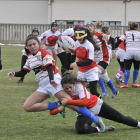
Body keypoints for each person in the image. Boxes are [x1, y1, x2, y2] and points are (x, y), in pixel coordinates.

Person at [7, 35, 105, 132]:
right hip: (43, 84)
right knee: (27, 106)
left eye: (34, 44)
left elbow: (49, 66)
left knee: (69, 102)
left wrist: (51, 79)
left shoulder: (44, 52)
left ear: (39, 44)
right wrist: (13, 73)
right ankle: (56, 105)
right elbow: (23, 71)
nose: (32, 46)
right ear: (27, 47)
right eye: (29, 45)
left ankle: (95, 119)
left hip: (53, 81)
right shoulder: (29, 58)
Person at [60, 72, 140, 134]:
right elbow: (57, 102)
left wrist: (67, 101)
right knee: (80, 129)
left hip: (96, 105)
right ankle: (101, 129)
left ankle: (138, 124)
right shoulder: (62, 90)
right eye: (66, 88)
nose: (69, 89)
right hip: (83, 112)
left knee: (120, 117)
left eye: (70, 87)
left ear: (74, 84)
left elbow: (84, 102)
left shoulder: (79, 85)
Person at [86, 20, 118, 99]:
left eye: (91, 26)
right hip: (95, 59)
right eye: (88, 26)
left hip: (104, 57)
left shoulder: (99, 35)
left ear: (94, 28)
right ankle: (114, 90)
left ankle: (104, 92)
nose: (89, 28)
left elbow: (112, 39)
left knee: (96, 73)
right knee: (105, 77)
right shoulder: (86, 37)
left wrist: (113, 51)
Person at [70, 27, 102, 99]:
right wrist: (71, 67)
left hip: (91, 70)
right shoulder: (76, 43)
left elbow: (89, 61)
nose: (79, 38)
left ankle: (101, 103)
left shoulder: (89, 45)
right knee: (79, 90)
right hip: (81, 70)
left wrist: (77, 64)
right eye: (78, 36)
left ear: (85, 36)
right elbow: (73, 55)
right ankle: (83, 104)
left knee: (93, 91)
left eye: (81, 36)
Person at [115, 22, 140, 88]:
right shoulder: (139, 34)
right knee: (136, 67)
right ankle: (134, 83)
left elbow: (119, 41)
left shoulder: (126, 33)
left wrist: (113, 47)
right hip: (137, 52)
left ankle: (125, 84)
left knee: (127, 68)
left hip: (128, 51)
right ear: (136, 28)